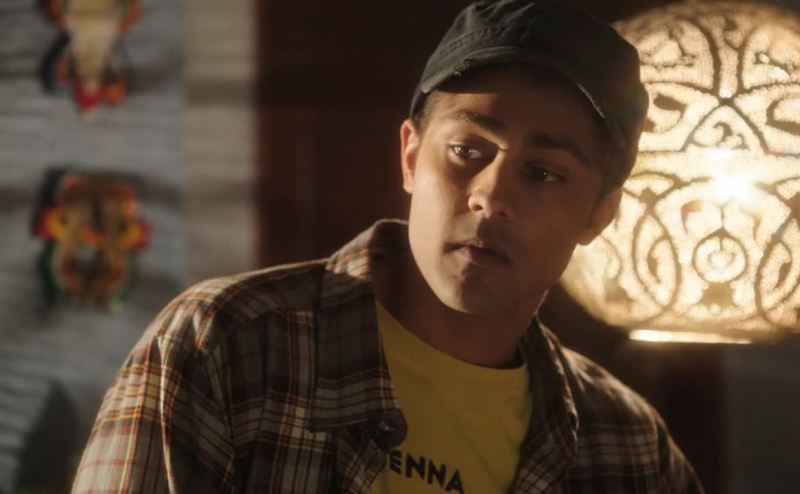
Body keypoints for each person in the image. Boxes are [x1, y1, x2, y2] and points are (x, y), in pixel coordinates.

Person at [72, 1, 704, 492]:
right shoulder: (231, 345)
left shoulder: (625, 445)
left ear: (599, 214)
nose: (490, 196)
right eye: (467, 150)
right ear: (410, 156)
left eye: (543, 173)